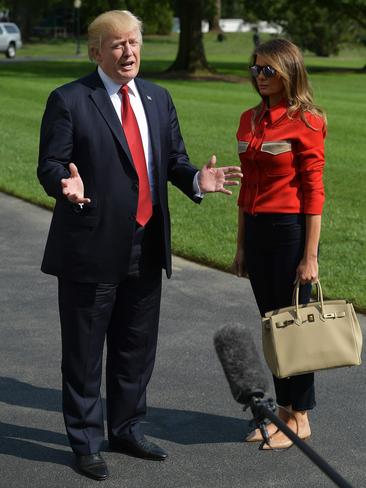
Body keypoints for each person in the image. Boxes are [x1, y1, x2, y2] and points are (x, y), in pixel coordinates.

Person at [37, 10, 242, 481]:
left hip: (146, 244)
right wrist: (62, 186)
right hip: (90, 246)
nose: (128, 52)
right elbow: (51, 163)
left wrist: (195, 178)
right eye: (116, 45)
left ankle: (126, 428)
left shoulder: (157, 96)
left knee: (135, 348)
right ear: (96, 52)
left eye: (134, 43)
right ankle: (86, 442)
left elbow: (172, 160)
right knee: (85, 354)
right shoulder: (70, 99)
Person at [232, 38, 326, 449]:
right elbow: (245, 187)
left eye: (269, 70)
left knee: (293, 328)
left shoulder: (306, 121)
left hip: (289, 232)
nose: (260, 77)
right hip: (255, 231)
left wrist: (310, 256)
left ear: (289, 70)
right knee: (273, 328)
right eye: (255, 69)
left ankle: (300, 418)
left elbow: (314, 192)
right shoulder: (249, 119)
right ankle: (283, 412)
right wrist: (240, 246)